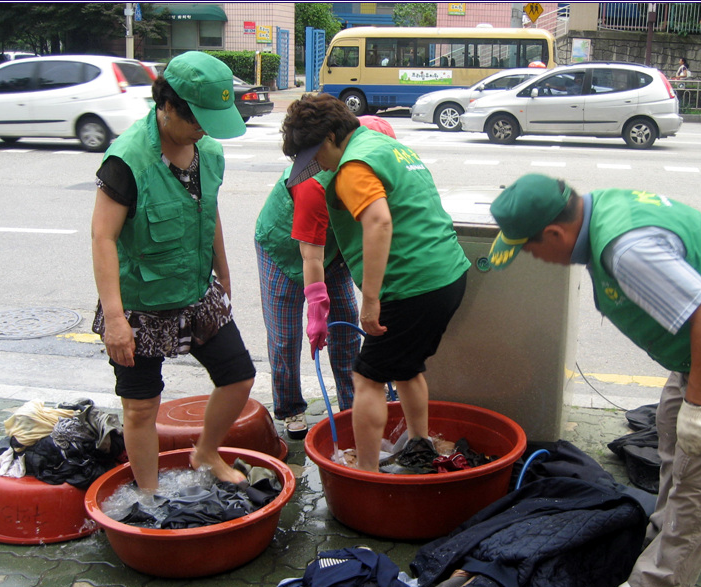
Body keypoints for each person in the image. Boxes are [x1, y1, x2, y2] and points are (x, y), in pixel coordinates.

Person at [487, 174, 701, 587]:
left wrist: (699, 407)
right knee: (673, 442)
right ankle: (665, 540)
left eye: (529, 247)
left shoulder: (627, 250)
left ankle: (661, 583)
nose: (532, 257)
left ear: (556, 233)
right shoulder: (599, 210)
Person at [91, 51, 256, 491]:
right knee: (141, 407)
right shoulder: (127, 160)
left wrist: (223, 273)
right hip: (140, 303)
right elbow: (102, 237)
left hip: (198, 291)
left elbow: (209, 211)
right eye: (196, 120)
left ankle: (207, 452)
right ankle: (148, 495)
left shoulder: (209, 153)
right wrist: (115, 319)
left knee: (239, 376)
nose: (203, 130)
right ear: (166, 105)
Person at [281, 94, 470, 472]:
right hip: (448, 276)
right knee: (406, 366)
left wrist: (370, 301)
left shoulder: (353, 165)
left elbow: (379, 221)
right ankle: (419, 447)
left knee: (367, 377)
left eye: (316, 155)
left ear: (331, 136)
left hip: (412, 287)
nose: (318, 165)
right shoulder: (385, 146)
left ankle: (367, 473)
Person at [253, 116, 395, 439]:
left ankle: (351, 405)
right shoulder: (313, 181)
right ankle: (290, 407)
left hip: (333, 251)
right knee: (285, 336)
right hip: (283, 249)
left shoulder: (374, 170)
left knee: (346, 329)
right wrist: (316, 309)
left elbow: (379, 231)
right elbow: (310, 256)